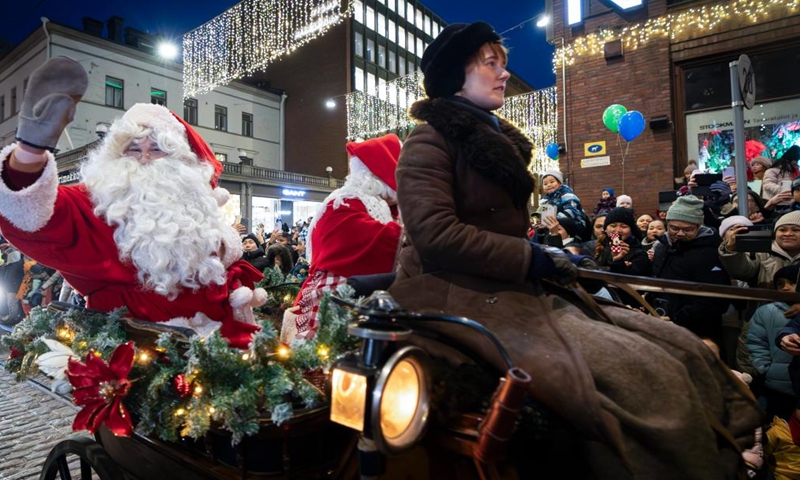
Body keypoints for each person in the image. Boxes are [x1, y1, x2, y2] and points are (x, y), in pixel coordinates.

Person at [387, 21, 759, 478]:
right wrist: (535, 257)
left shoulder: (488, 139)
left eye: (504, 64)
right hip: (455, 296)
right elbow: (436, 235)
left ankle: (727, 448)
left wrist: (551, 260)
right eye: (491, 64)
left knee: (680, 344)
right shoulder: (429, 140)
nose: (504, 73)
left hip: (510, 288)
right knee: (636, 368)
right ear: (453, 75)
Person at [0, 57, 266, 348]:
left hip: (219, 343)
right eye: (133, 149)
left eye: (157, 149)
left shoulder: (196, 205)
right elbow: (41, 217)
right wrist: (30, 153)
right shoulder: (101, 203)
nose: (144, 158)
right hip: (137, 351)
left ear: (181, 159)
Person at [281, 134, 403, 342]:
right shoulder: (344, 202)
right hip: (335, 298)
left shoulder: (378, 204)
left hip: (360, 298)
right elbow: (371, 242)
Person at [650, 195, 731, 344]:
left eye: (688, 229)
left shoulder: (710, 252)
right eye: (674, 228)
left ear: (699, 227)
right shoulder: (662, 246)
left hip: (698, 333)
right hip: (663, 324)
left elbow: (715, 300)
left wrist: (676, 318)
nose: (680, 233)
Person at [746, 265, 799, 422]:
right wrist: (764, 369)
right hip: (774, 385)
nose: (785, 288)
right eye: (780, 284)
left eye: (792, 282)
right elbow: (756, 343)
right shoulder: (767, 311)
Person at [720, 211, 800, 290]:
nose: (788, 234)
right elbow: (741, 272)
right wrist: (731, 249)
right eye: (782, 230)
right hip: (766, 301)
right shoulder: (760, 252)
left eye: (796, 230)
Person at [540, 170, 590, 238]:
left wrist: (555, 219)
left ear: (560, 183)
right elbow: (543, 213)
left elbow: (572, 211)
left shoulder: (567, 194)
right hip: (555, 225)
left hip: (575, 225)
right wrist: (542, 220)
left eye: (552, 182)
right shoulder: (545, 200)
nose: (548, 185)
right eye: (545, 184)